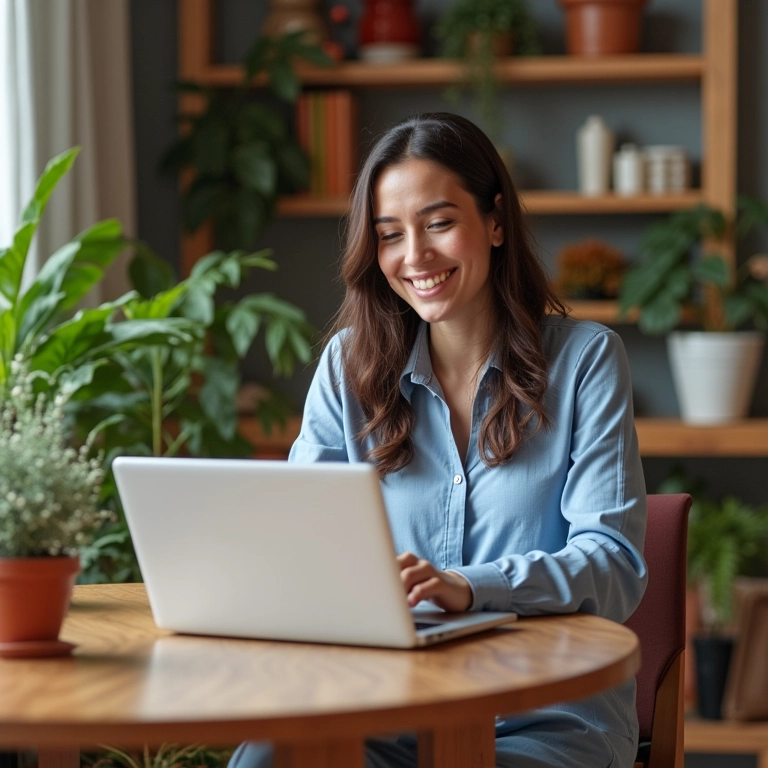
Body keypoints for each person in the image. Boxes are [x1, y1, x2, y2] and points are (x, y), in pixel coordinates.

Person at [229, 112, 648, 768]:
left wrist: (469, 585)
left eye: (440, 223)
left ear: (497, 220)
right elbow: (299, 544)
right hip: (383, 708)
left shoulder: (586, 361)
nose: (414, 257)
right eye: (390, 235)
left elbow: (613, 563)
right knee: (268, 758)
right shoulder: (349, 368)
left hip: (543, 715)